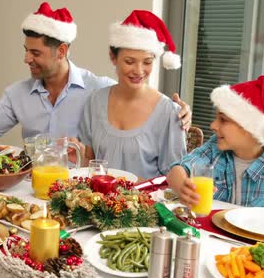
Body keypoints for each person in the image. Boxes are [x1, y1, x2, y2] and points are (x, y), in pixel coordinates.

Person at [0, 2, 191, 144]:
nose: (26, 59)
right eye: (26, 50)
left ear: (61, 50)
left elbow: (136, 95)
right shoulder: (17, 94)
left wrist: (178, 111)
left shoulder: (99, 89)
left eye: (35, 53)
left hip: (81, 194)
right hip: (32, 190)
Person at [77, 10, 187, 179]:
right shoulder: (95, 101)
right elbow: (89, 161)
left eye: (147, 62)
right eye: (129, 61)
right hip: (98, 202)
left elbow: (175, 181)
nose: (139, 71)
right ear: (113, 57)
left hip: (148, 203)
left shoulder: (170, 112)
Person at [168, 75, 264, 208]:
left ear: (251, 128)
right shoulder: (214, 149)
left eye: (223, 120)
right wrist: (183, 186)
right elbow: (177, 170)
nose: (213, 125)